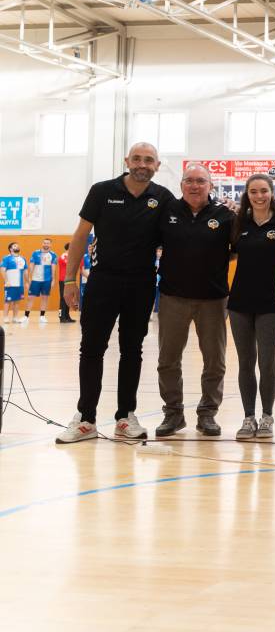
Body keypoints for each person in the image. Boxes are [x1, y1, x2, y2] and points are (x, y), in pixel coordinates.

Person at [56, 142, 174, 443]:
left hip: (142, 284)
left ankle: (125, 417)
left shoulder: (162, 198)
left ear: (157, 166)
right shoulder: (101, 190)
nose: (142, 164)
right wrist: (70, 280)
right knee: (92, 349)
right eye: (137, 159)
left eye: (149, 160)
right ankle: (85, 419)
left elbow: (179, 236)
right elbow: (81, 234)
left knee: (132, 351)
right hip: (102, 281)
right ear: (127, 161)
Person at [153, 165, 237, 438]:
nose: (195, 185)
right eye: (189, 180)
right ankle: (173, 413)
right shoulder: (167, 212)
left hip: (213, 299)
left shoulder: (225, 215)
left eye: (201, 181)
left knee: (215, 360)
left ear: (210, 186)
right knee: (168, 359)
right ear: (181, 185)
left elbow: (236, 251)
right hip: (172, 297)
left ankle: (207, 414)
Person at [228, 174, 275, 440]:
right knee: (246, 362)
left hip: (271, 301)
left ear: (271, 192)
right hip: (239, 302)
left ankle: (267, 417)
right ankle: (248, 417)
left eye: (264, 191)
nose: (259, 196)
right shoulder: (238, 222)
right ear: (247, 193)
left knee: (267, 362)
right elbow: (229, 253)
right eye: (254, 191)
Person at [24, 238, 56, 324]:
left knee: (45, 298)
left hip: (47, 280)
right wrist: (28, 278)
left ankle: (42, 316)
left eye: (48, 243)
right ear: (42, 244)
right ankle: (26, 316)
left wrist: (53, 279)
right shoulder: (35, 253)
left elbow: (53, 268)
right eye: (44, 243)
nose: (46, 244)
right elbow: (31, 266)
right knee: (30, 298)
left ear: (50, 245)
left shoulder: (53, 255)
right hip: (35, 279)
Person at [2, 242, 28, 324]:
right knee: (8, 301)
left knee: (17, 301)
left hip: (20, 285)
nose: (17, 246)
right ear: (10, 249)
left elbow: (25, 271)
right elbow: (2, 270)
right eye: (14, 246)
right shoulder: (6, 258)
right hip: (10, 284)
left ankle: (15, 318)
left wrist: (27, 282)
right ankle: (5, 317)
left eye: (17, 245)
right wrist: (6, 281)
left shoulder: (23, 259)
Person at [57, 241, 75, 323]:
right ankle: (61, 317)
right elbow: (69, 264)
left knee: (69, 298)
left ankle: (67, 316)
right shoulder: (64, 255)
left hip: (71, 280)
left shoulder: (72, 256)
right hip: (63, 280)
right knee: (63, 298)